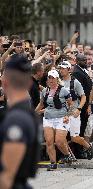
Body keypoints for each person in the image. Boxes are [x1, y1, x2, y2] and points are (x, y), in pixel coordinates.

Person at [0, 54, 40, 189]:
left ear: (5, 82)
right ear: (29, 82)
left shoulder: (16, 119)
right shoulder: (26, 113)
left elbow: (6, 176)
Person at [35, 70, 73, 171]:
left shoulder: (63, 90)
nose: (51, 80)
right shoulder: (45, 91)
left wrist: (67, 116)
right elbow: (41, 104)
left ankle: (67, 155)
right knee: (49, 141)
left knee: (59, 141)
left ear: (57, 79)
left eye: (53, 78)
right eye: (49, 78)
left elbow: (71, 105)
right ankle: (53, 163)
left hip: (61, 118)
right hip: (48, 118)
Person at [58, 61, 93, 160]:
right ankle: (67, 155)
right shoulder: (58, 82)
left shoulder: (75, 82)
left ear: (69, 70)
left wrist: (79, 109)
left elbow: (83, 97)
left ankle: (88, 146)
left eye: (63, 68)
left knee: (75, 138)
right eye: (60, 68)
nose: (61, 70)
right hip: (62, 113)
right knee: (61, 137)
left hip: (73, 112)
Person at [72, 54, 93, 140]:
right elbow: (79, 91)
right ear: (77, 61)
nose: (85, 62)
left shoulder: (82, 70)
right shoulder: (77, 72)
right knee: (80, 128)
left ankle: (81, 150)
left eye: (86, 60)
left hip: (85, 103)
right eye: (83, 60)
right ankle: (79, 151)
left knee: (83, 127)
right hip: (82, 105)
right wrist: (85, 105)